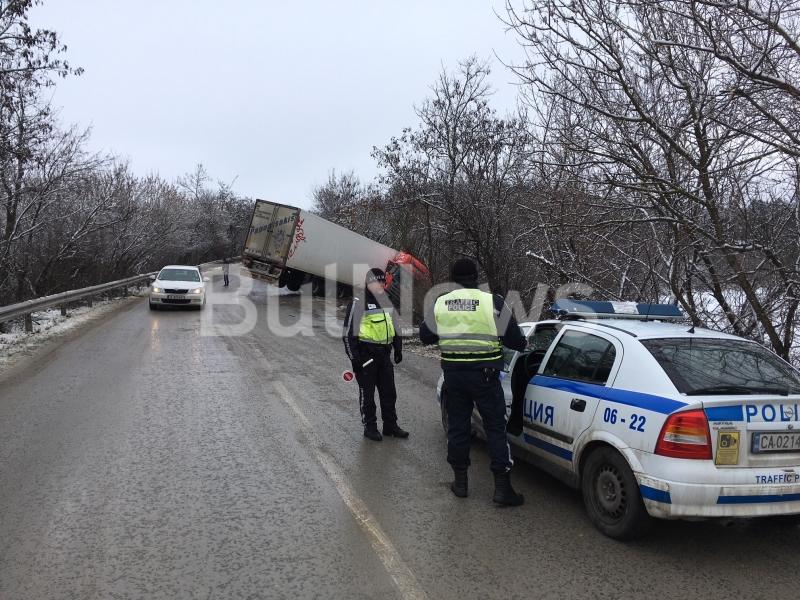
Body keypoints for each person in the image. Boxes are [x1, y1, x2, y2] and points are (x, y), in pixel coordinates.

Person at [420, 258, 527, 505]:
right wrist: (522, 344)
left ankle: (460, 484)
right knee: (495, 428)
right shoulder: (492, 302)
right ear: (475, 277)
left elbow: (425, 336)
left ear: (454, 279)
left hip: (454, 377)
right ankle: (502, 490)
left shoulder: (441, 302)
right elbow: (514, 339)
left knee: (458, 427)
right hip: (485, 377)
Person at [342, 268, 408, 441]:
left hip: (384, 355)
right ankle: (370, 427)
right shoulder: (358, 302)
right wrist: (354, 359)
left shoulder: (386, 301)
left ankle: (390, 426)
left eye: (383, 282)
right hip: (366, 356)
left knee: (389, 393)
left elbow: (395, 327)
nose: (380, 285)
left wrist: (398, 348)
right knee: (368, 394)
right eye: (376, 282)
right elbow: (348, 334)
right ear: (368, 283)